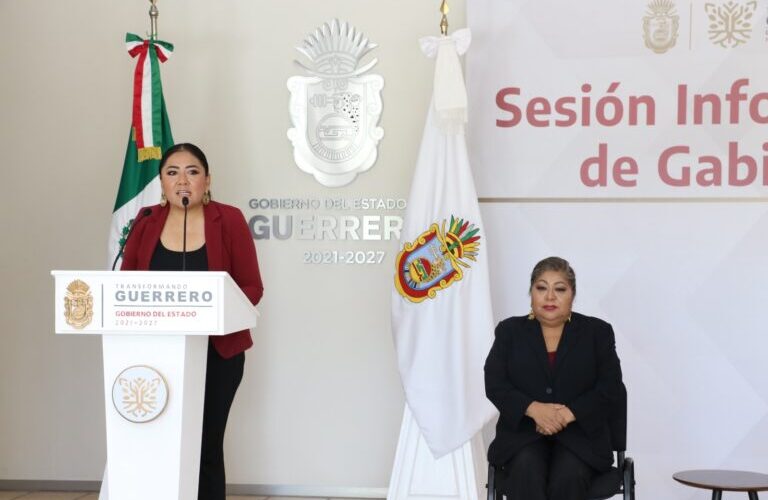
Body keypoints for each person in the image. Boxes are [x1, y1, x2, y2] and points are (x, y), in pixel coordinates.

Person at [120, 143, 264, 500]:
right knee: (159, 441)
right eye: (172, 172)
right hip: (154, 354)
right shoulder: (145, 221)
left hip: (217, 353)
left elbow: (251, 286)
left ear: (207, 180)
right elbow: (125, 284)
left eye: (192, 172)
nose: (182, 181)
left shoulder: (229, 219)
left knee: (205, 444)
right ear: (162, 183)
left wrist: (215, 312)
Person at [484, 257, 622, 500]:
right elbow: (495, 383)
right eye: (541, 288)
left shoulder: (597, 333)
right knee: (526, 467)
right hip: (522, 437)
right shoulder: (509, 331)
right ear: (531, 293)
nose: (550, 297)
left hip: (582, 439)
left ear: (572, 295)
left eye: (559, 289)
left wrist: (567, 414)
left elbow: (610, 387)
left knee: (569, 473)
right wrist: (533, 409)